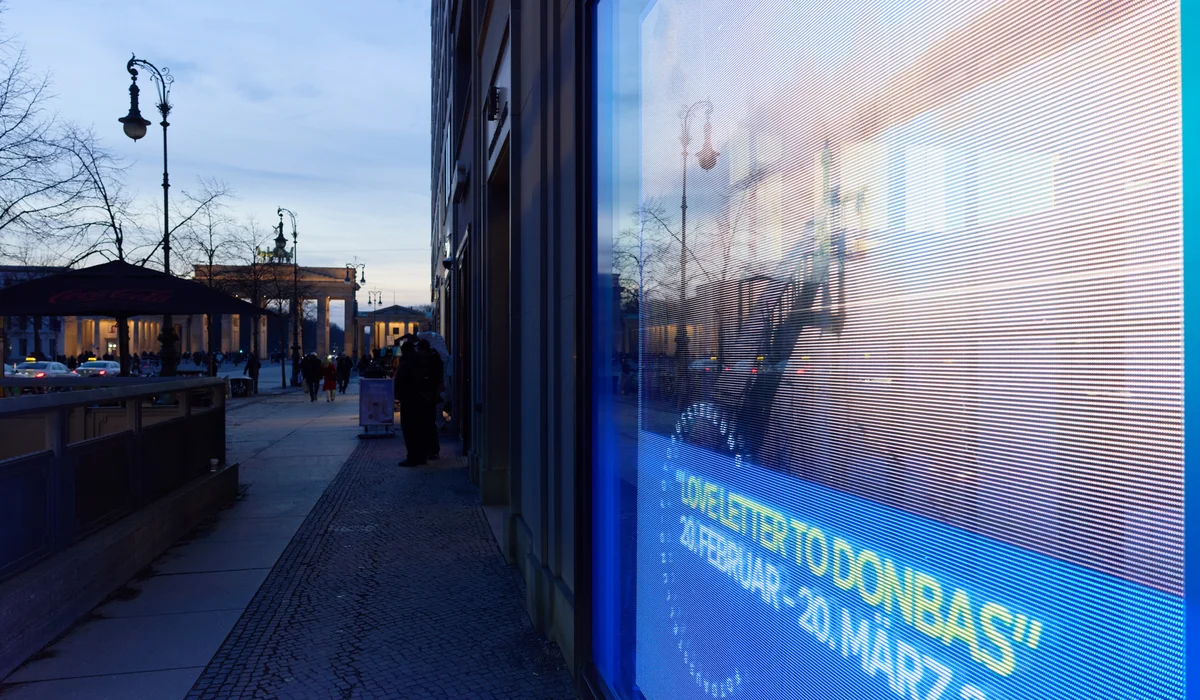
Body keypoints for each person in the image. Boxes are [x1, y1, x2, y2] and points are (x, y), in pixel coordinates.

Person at [393, 342, 429, 466]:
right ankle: (422, 456)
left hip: (409, 399)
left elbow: (400, 380)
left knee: (409, 429)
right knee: (420, 429)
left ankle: (412, 457)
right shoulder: (421, 361)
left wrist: (397, 395)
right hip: (422, 399)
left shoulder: (406, 363)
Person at [416, 339, 444, 460]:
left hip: (428, 396)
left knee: (427, 424)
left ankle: (431, 449)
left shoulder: (429, 360)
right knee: (429, 423)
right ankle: (431, 449)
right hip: (430, 395)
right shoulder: (434, 359)